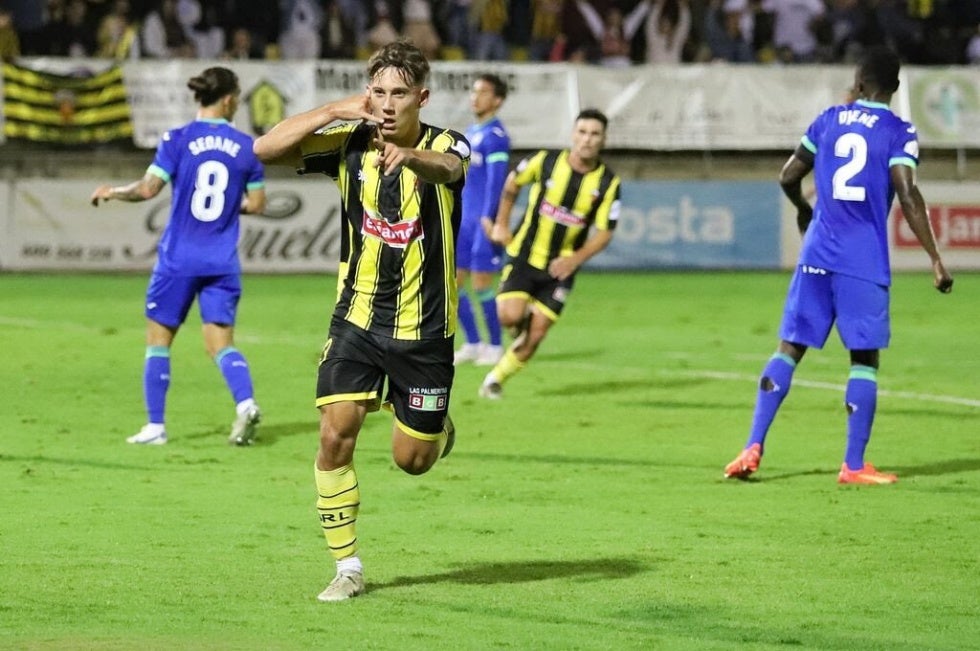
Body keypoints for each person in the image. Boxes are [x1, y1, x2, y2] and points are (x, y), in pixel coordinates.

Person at [252, 39, 468, 603]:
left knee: (412, 461)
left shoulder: (447, 143)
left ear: (421, 96)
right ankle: (347, 566)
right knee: (334, 434)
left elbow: (449, 168)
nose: (388, 103)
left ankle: (434, 428)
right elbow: (263, 149)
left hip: (425, 333)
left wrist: (412, 159)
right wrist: (329, 111)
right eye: (378, 92)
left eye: (399, 93)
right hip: (357, 321)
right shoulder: (348, 142)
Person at [723, 46, 953, 485]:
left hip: (815, 256)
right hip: (860, 261)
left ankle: (752, 446)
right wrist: (935, 258)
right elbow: (907, 194)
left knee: (789, 347)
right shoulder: (899, 131)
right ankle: (853, 464)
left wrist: (801, 211)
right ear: (896, 88)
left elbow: (788, 176)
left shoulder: (828, 119)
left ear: (859, 82)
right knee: (863, 358)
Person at [90, 66, 266, 447]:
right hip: (222, 261)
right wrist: (226, 210)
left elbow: (149, 189)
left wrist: (115, 191)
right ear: (229, 99)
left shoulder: (177, 140)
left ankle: (155, 427)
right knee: (221, 343)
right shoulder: (247, 148)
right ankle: (246, 404)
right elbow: (257, 204)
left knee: (158, 341)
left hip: (179, 259)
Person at [480, 108, 621, 400]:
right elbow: (513, 183)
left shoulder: (608, 183)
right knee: (509, 317)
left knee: (537, 333)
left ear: (603, 139)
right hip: (524, 255)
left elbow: (605, 231)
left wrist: (574, 260)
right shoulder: (545, 161)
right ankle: (519, 323)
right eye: (582, 132)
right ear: (573, 134)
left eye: (595, 134)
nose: (587, 140)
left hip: (561, 269)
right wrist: (502, 224)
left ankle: (495, 379)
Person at [454, 73, 511, 367]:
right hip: (463, 221)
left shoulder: (496, 137)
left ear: (497, 100)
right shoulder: (471, 131)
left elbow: (496, 182)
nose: (475, 97)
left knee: (481, 284)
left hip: (482, 222)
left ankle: (496, 345)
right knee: (453, 283)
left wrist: (492, 218)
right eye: (474, 91)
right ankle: (474, 342)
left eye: (483, 92)